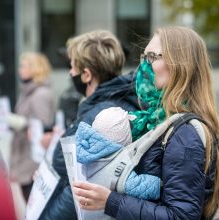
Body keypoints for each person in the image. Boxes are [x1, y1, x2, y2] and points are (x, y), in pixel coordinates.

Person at [73, 26, 219, 220]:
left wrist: (110, 201)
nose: (144, 66)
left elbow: (180, 216)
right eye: (144, 57)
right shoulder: (154, 120)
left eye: (152, 57)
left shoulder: (185, 133)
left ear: (179, 65)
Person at [39, 30, 140, 220]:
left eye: (72, 66)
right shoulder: (119, 101)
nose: (70, 72)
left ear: (86, 75)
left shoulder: (100, 115)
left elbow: (80, 187)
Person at [76, 106, 160, 201]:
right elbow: (138, 186)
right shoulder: (117, 170)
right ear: (124, 139)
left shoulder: (89, 155)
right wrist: (160, 185)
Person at [10, 52, 55, 202]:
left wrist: (22, 123)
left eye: (24, 66)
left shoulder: (40, 94)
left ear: (35, 69)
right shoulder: (28, 92)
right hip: (25, 156)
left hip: (33, 163)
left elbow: (44, 128)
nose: (19, 70)